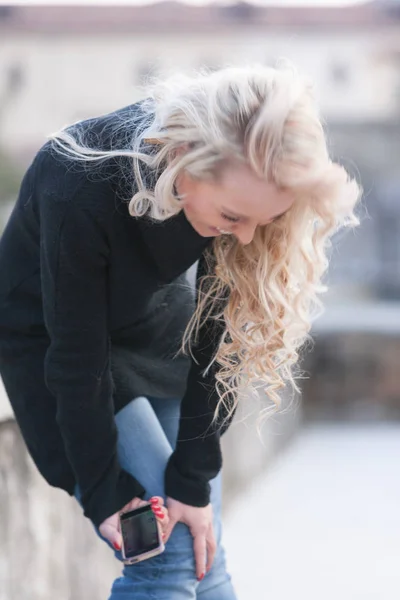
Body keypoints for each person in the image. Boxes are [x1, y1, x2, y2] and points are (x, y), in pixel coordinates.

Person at [0, 63, 360, 599]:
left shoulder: (242, 207)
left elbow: (220, 344)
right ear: (180, 159)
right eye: (233, 215)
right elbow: (77, 360)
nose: (245, 236)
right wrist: (104, 493)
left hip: (154, 336)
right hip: (60, 351)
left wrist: (192, 480)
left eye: (264, 219)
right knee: (162, 562)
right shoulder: (78, 182)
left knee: (202, 556)